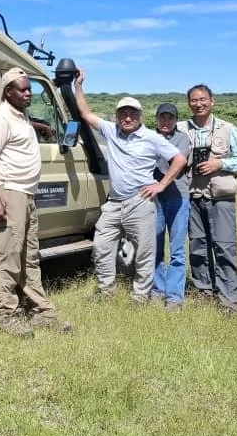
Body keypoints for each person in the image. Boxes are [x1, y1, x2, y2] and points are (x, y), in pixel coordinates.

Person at [72, 70, 188, 304]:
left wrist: (162, 184)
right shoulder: (110, 131)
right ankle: (106, 292)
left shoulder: (152, 138)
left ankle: (140, 297)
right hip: (114, 203)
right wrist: (78, 85)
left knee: (144, 252)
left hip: (140, 202)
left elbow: (180, 159)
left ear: (140, 116)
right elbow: (85, 113)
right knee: (102, 246)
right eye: (122, 113)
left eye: (131, 113)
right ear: (116, 117)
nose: (127, 118)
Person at [0, 67, 73, 338]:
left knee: (29, 256)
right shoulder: (0, 118)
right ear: (8, 91)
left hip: (27, 194)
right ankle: (6, 314)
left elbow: (21, 128)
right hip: (10, 192)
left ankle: (41, 311)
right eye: (22, 89)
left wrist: (43, 127)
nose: (28, 93)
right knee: (8, 256)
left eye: (29, 89)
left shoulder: (19, 116)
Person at [179, 84, 237, 315]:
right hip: (192, 195)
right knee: (198, 246)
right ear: (188, 103)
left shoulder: (227, 129)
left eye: (203, 100)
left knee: (224, 247)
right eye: (193, 100)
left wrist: (220, 163)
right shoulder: (181, 129)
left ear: (212, 101)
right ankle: (204, 291)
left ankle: (230, 299)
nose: (198, 104)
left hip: (220, 196)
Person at [150, 102, 192, 311]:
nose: (166, 122)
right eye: (162, 118)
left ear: (176, 120)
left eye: (170, 118)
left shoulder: (182, 138)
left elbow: (179, 162)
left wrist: (162, 182)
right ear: (156, 119)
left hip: (178, 197)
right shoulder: (149, 137)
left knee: (177, 250)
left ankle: (175, 296)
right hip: (155, 200)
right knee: (155, 247)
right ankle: (157, 289)